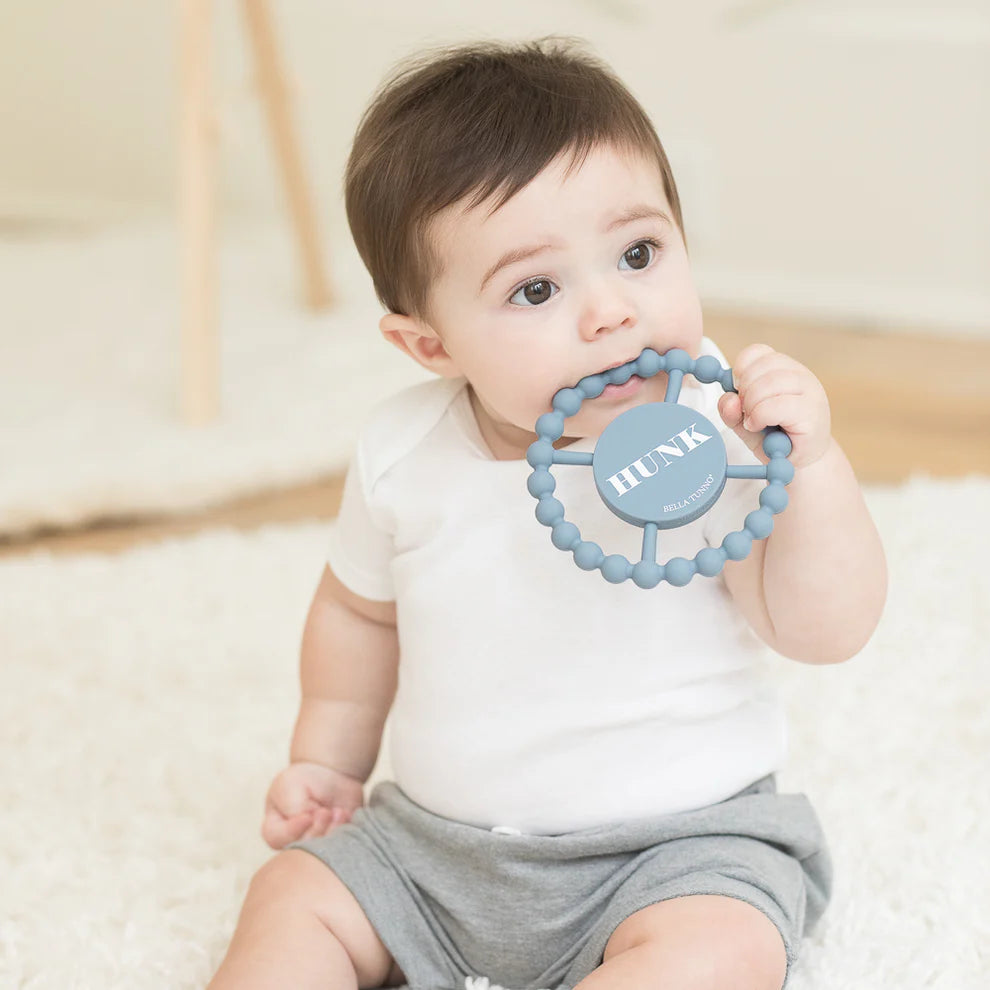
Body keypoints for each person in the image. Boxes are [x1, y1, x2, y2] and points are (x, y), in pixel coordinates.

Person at [206, 37, 887, 990]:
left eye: (639, 253)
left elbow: (823, 627)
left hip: (677, 850)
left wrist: (812, 467)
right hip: (434, 849)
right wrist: (325, 760)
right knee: (292, 899)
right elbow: (357, 613)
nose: (610, 311)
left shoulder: (712, 433)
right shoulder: (401, 455)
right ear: (428, 343)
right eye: (535, 288)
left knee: (720, 950)